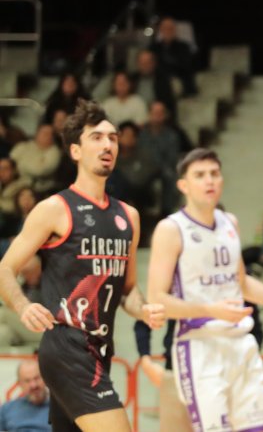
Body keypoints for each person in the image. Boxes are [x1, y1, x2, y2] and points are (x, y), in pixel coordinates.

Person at [0, 100, 165, 432]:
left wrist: (144, 310)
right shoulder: (55, 208)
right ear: (75, 151)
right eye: (97, 137)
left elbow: (127, 291)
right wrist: (22, 305)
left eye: (113, 138)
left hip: (100, 352)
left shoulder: (128, 216)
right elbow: (4, 267)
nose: (108, 144)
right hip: (66, 350)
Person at [147, 147, 263, 432]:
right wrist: (209, 310)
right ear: (183, 185)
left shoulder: (230, 223)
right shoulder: (170, 229)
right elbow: (156, 299)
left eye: (214, 173)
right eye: (199, 175)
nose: (209, 181)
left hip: (241, 344)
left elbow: (243, 284)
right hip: (200, 344)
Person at [151, 16, 198, 97]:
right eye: (165, 28)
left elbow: (185, 66)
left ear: (175, 30)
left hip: (179, 80)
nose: (168, 31)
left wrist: (166, 64)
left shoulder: (184, 47)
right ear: (161, 30)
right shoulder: (154, 47)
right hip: (158, 80)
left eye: (170, 28)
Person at [0, 359, 50, 431]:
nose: (33, 385)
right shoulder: (7, 409)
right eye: (27, 381)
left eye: (36, 378)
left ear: (44, 378)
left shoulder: (60, 409)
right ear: (20, 384)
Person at [132, 50, 176, 115]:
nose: (145, 65)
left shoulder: (162, 80)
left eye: (148, 62)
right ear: (137, 64)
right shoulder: (132, 79)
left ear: (154, 63)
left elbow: (168, 104)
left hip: (155, 115)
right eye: (142, 63)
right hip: (135, 114)